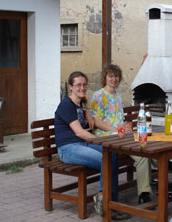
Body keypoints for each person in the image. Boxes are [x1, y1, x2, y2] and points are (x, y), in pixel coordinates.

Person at [54, 71, 130, 220]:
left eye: (84, 85)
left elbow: (84, 112)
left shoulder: (80, 104)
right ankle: (105, 200)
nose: (82, 88)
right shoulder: (66, 105)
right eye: (78, 85)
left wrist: (87, 112)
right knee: (105, 159)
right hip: (68, 149)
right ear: (70, 87)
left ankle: (111, 203)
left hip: (81, 145)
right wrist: (99, 141)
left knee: (112, 153)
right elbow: (79, 132)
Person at [90, 64, 153, 204]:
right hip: (106, 137)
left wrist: (125, 128)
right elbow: (97, 122)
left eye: (116, 76)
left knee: (144, 153)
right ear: (105, 78)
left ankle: (144, 193)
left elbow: (119, 119)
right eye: (111, 76)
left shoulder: (118, 95)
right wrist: (116, 130)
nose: (114, 79)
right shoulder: (98, 96)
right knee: (141, 149)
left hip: (120, 135)